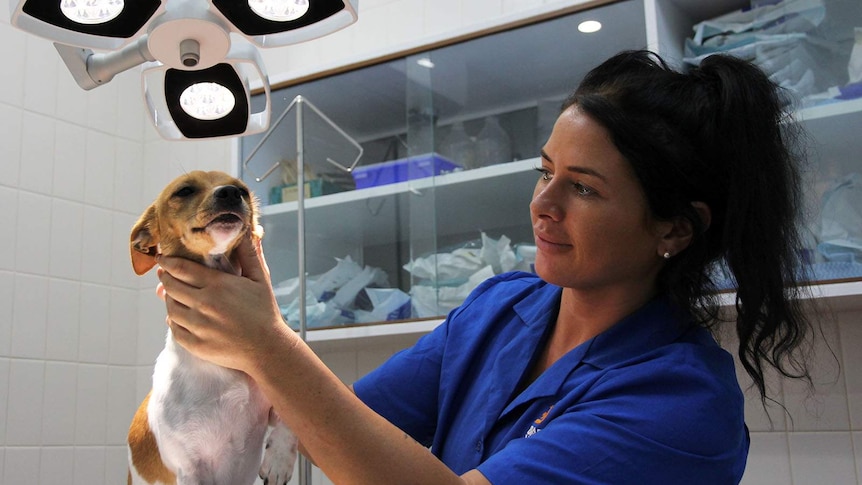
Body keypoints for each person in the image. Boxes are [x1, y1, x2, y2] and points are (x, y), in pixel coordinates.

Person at [156, 50, 817, 484]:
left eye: (583, 188)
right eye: (545, 171)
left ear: (675, 227)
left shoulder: (678, 404)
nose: (543, 204)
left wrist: (267, 341)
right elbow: (342, 431)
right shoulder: (502, 308)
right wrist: (239, 335)